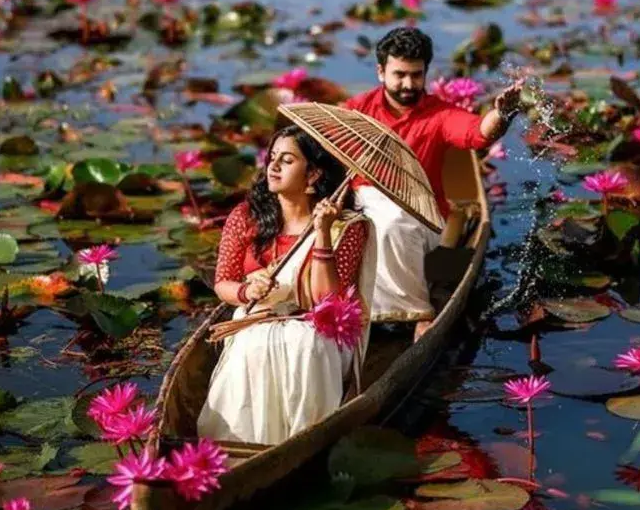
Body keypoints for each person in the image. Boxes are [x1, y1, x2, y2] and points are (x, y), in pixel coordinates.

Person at [197, 126, 376, 446]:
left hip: (317, 326)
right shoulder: (245, 216)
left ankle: (302, 441)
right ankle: (243, 442)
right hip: (257, 317)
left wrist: (322, 231)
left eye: (288, 160)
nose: (274, 166)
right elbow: (223, 282)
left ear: (313, 174)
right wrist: (247, 292)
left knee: (306, 344)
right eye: (272, 157)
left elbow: (327, 301)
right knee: (252, 342)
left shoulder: (345, 227)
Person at [343, 27, 525, 339]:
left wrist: (501, 114)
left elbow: (478, 134)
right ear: (380, 71)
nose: (408, 84)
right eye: (399, 75)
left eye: (416, 75)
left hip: (420, 215)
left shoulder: (440, 114)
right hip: (362, 206)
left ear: (426, 72)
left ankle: (417, 310)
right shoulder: (356, 111)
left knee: (391, 223)